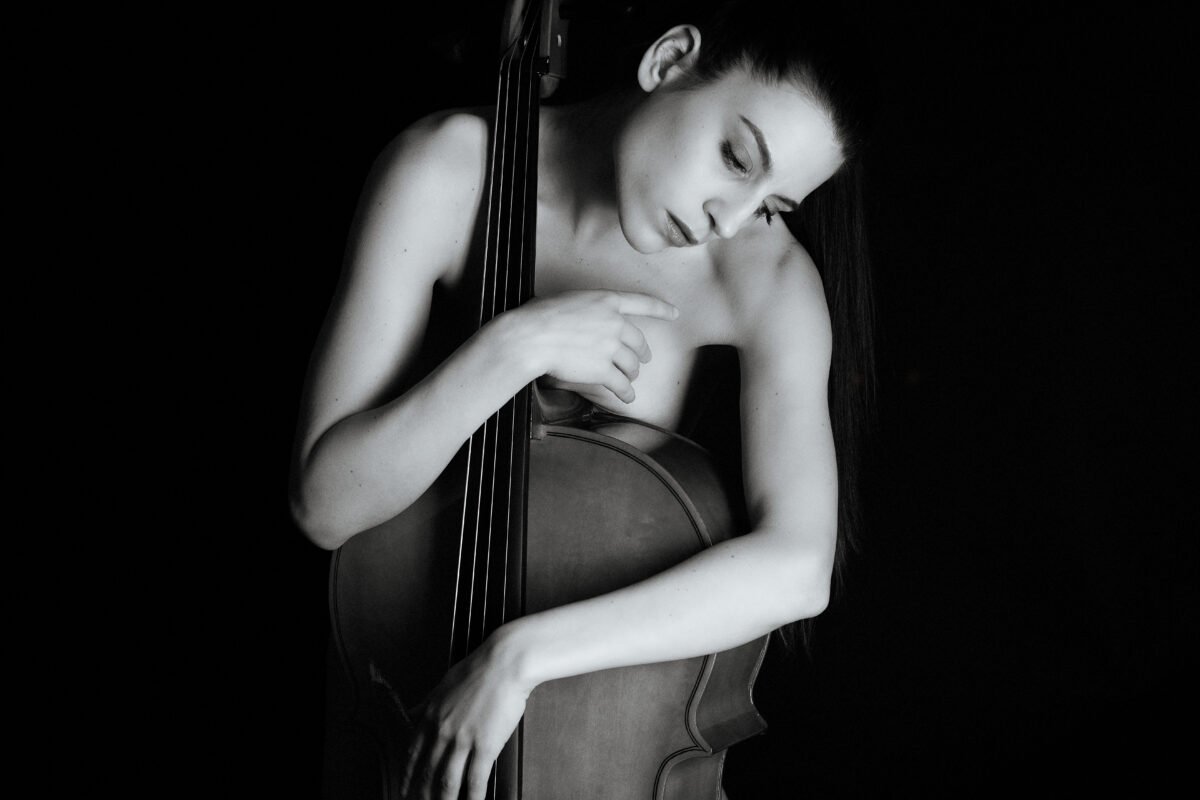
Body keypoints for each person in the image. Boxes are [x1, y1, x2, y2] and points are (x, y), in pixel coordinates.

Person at [290, 2, 875, 797]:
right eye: (738, 159)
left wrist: (519, 659)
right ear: (669, 60)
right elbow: (324, 506)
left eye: (771, 205)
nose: (728, 222)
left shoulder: (767, 280)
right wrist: (513, 346)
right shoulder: (447, 169)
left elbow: (799, 569)